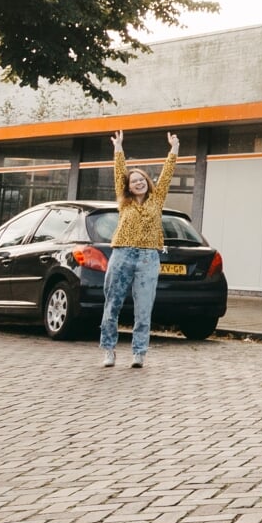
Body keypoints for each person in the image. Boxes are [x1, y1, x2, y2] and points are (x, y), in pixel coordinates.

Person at [100, 130, 180, 369]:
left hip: (148, 257)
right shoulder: (123, 202)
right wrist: (119, 148)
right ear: (128, 186)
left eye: (142, 179)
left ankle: (139, 353)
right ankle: (108, 350)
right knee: (112, 303)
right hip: (122, 253)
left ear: (147, 182)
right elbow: (118, 172)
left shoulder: (157, 200)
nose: (139, 182)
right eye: (134, 181)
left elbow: (166, 175)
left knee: (144, 307)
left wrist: (173, 149)